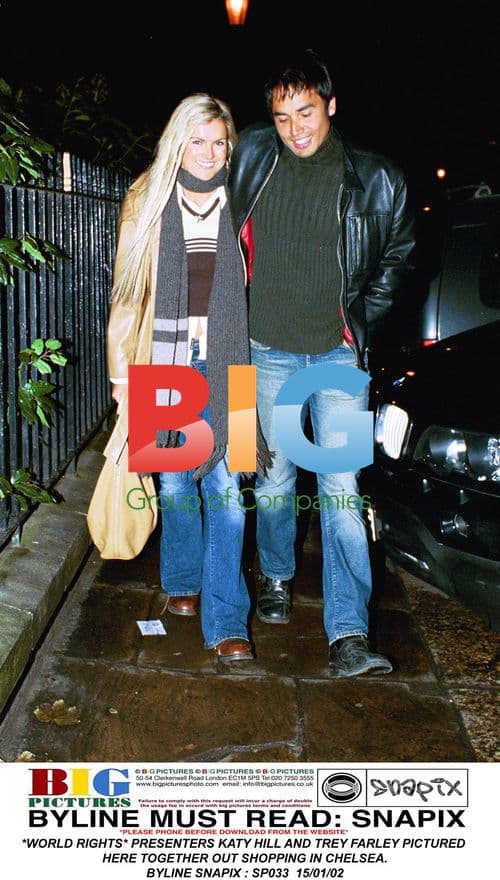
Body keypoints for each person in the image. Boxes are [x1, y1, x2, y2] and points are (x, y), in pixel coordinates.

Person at [229, 49, 415, 677]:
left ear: (331, 106)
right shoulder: (251, 156)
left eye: (306, 112)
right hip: (265, 349)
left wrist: (361, 318)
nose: (295, 128)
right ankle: (277, 575)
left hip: (337, 354)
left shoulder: (377, 179)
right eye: (282, 116)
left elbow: (398, 255)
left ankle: (349, 633)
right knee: (276, 481)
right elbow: (191, 178)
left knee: (340, 488)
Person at [107, 93, 269, 663]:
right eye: (197, 140)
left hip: (236, 364)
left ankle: (228, 622)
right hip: (163, 360)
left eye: (218, 141)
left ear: (231, 146)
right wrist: (122, 377)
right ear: (178, 140)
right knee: (175, 485)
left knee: (229, 493)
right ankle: (181, 581)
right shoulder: (145, 200)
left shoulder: (247, 199)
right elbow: (128, 297)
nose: (208, 152)